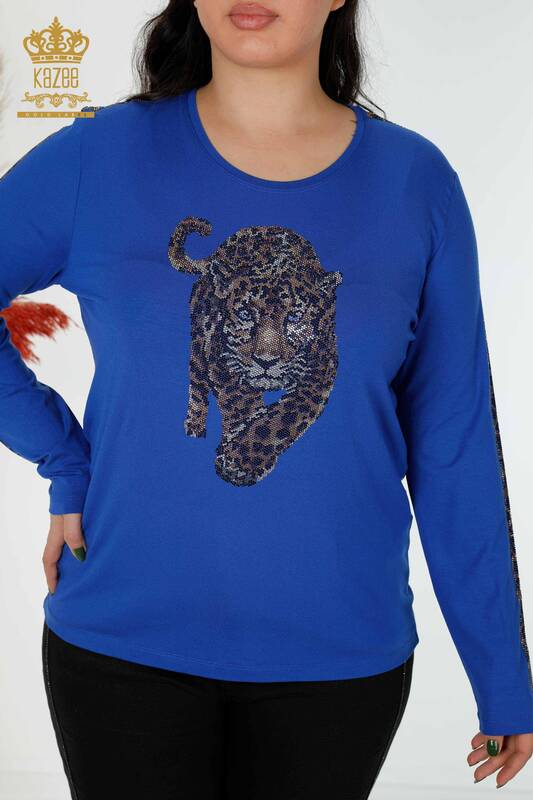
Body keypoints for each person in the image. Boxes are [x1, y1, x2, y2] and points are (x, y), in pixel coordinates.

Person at [1, 0, 532, 797]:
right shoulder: (96, 155)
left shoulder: (414, 182)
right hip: (120, 648)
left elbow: (453, 441)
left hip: (338, 661)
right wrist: (63, 458)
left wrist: (501, 674)